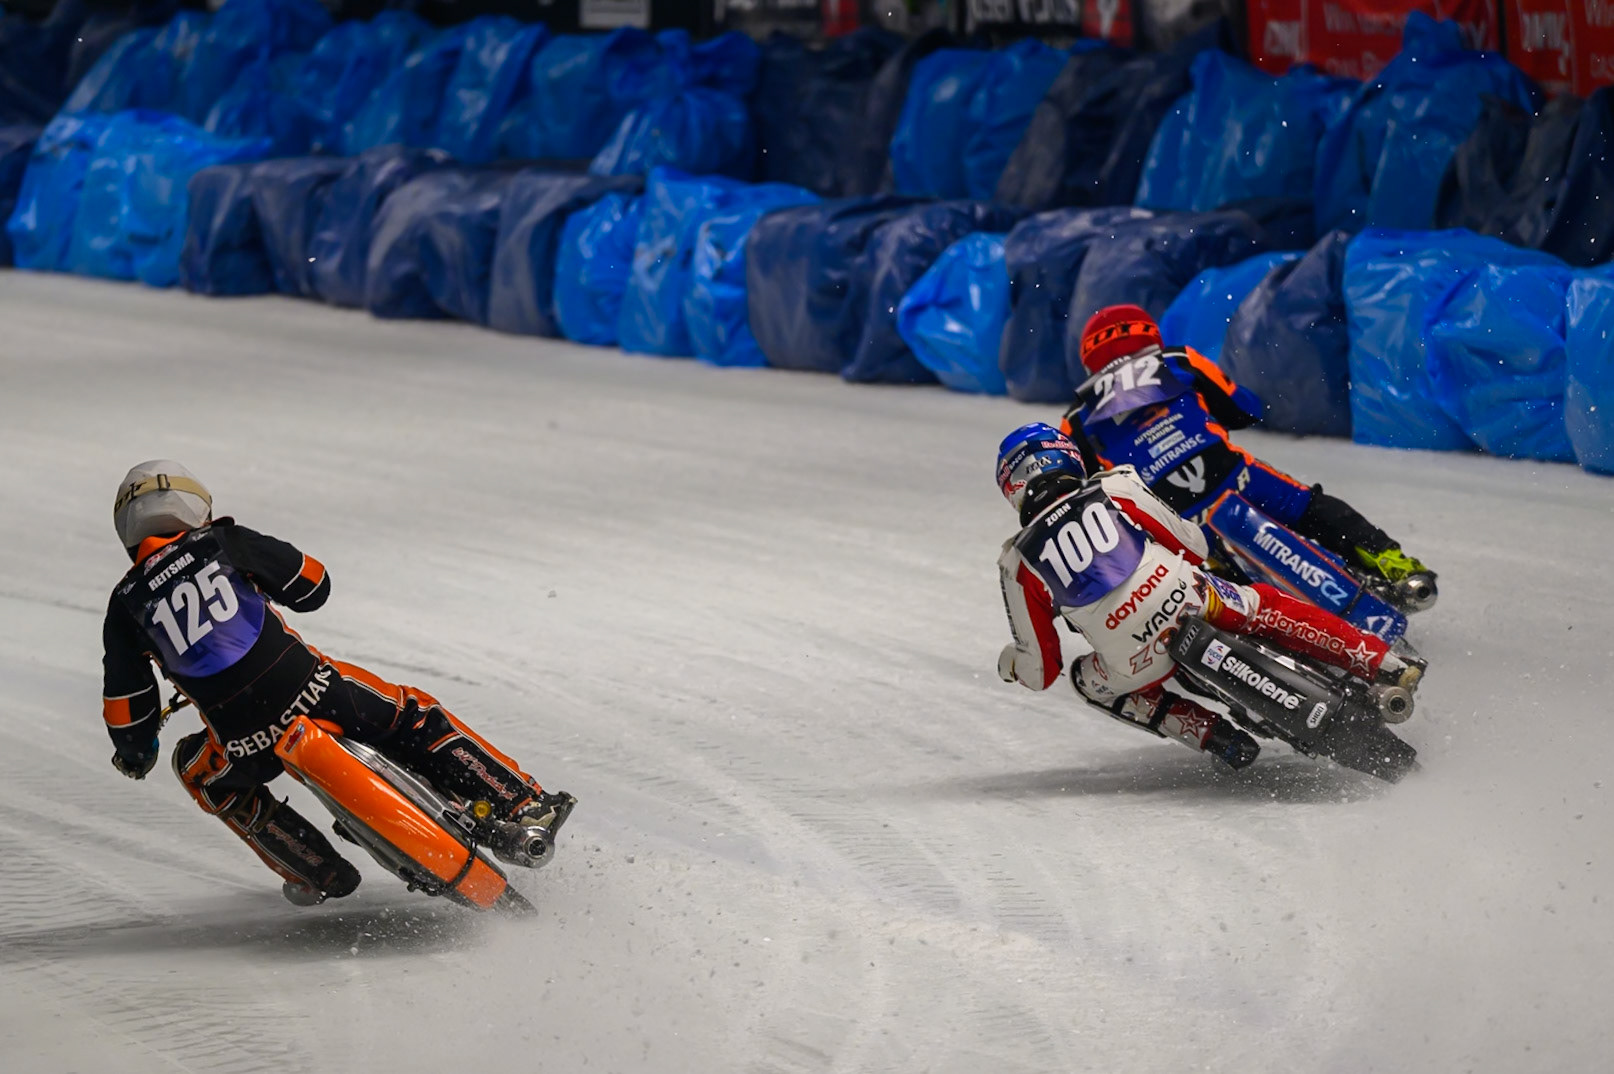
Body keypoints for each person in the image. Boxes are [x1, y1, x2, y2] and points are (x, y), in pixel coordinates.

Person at [101, 460, 575, 905]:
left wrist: (136, 755)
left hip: (243, 742)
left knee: (201, 775)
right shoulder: (223, 540)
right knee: (413, 714)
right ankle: (523, 803)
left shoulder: (124, 605)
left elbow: (127, 713)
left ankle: (315, 870)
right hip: (317, 692)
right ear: (192, 505)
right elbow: (313, 585)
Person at [994, 424, 1423, 768]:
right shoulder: (1115, 487)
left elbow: (1041, 671)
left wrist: (1012, 663)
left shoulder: (1016, 562)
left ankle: (1213, 736)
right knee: (1265, 605)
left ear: (1013, 487)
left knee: (1087, 682)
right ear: (1065, 455)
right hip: (1195, 600)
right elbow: (1194, 546)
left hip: (1133, 659)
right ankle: (1384, 663)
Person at [1059, 304, 1434, 592]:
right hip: (1230, 474)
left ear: (1090, 360)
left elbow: (1080, 492)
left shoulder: (1076, 416)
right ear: (1149, 334)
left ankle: (1248, 609)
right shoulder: (1177, 359)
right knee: (1306, 505)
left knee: (1192, 577)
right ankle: (1393, 564)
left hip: (1171, 513)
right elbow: (1241, 408)